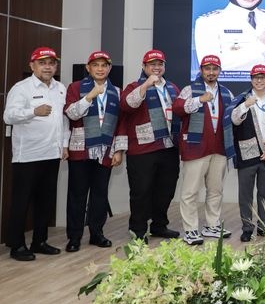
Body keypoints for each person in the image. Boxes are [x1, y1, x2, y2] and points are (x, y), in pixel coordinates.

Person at [3, 47, 68, 261]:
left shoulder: (60, 88)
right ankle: (17, 245)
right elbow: (8, 116)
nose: (48, 66)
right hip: (28, 155)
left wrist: (64, 145)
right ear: (32, 66)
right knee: (22, 201)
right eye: (43, 62)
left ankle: (39, 241)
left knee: (45, 201)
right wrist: (33, 111)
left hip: (52, 154)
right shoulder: (21, 88)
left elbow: (63, 120)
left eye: (51, 63)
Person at [63, 50, 126, 252]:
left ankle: (97, 233)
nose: (100, 69)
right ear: (88, 68)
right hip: (80, 150)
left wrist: (119, 151)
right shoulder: (76, 87)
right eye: (96, 65)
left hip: (106, 150)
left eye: (104, 65)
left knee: (100, 194)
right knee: (77, 196)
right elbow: (71, 114)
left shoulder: (117, 91)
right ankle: (74, 237)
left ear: (109, 68)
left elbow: (120, 123)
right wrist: (89, 97)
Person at [120, 49, 182, 241]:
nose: (156, 67)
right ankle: (138, 230)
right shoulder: (134, 86)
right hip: (142, 149)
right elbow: (127, 105)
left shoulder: (172, 87)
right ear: (144, 67)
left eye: (160, 64)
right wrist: (146, 85)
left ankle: (159, 225)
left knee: (166, 190)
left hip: (169, 147)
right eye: (152, 64)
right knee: (141, 191)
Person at [173, 55, 235, 245]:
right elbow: (177, 108)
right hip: (195, 146)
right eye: (207, 68)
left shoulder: (226, 92)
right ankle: (191, 229)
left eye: (214, 69)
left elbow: (233, 116)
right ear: (201, 70)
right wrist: (199, 99)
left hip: (219, 147)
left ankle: (212, 225)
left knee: (215, 189)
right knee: (190, 191)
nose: (211, 72)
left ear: (219, 71)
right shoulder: (190, 89)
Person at [228, 64, 265, 242]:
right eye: (256, 77)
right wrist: (244, 106)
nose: (259, 81)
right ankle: (247, 228)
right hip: (246, 154)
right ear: (251, 80)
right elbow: (234, 121)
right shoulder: (242, 99)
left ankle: (264, 227)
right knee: (245, 194)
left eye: (263, 77)